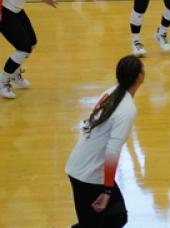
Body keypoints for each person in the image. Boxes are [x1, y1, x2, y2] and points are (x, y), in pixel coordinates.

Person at [66, 55, 144, 228]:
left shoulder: (111, 91)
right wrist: (107, 190)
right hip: (88, 174)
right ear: (140, 77)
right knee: (97, 223)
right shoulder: (127, 109)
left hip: (85, 167)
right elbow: (112, 151)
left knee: (117, 217)